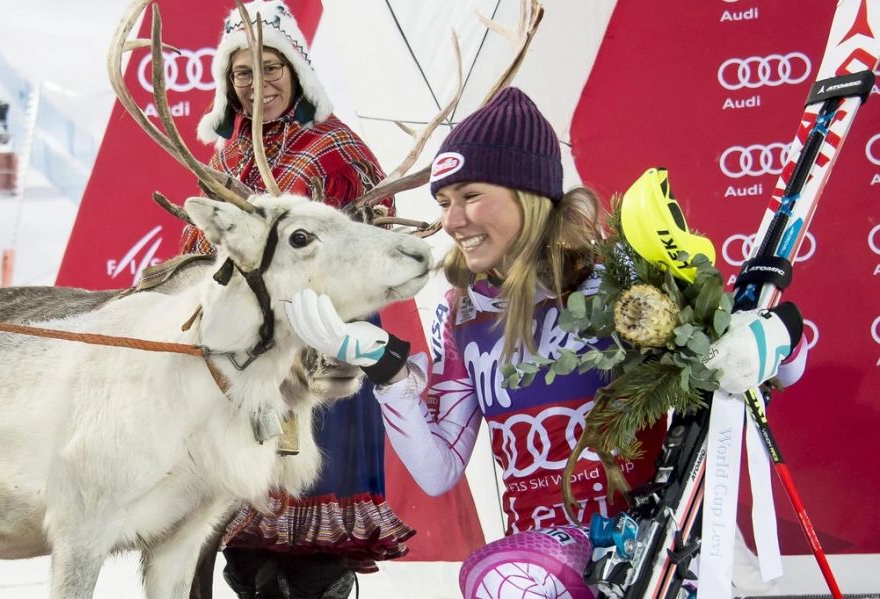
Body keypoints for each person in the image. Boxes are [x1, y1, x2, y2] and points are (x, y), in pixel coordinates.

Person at [284, 87, 807, 598]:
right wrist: (387, 372)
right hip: (536, 564)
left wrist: (778, 334)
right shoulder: (463, 312)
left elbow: (746, 360)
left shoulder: (619, 278)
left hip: (645, 551)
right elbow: (437, 469)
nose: (452, 220)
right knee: (504, 578)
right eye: (445, 202)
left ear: (528, 195)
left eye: (470, 196)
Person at [182, 2, 413, 598]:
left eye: (271, 68)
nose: (258, 86)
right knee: (242, 545)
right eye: (242, 74)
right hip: (248, 362)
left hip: (322, 352)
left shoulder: (336, 147)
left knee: (315, 556)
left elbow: (378, 243)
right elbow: (198, 257)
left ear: (297, 69)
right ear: (227, 84)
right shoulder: (226, 158)